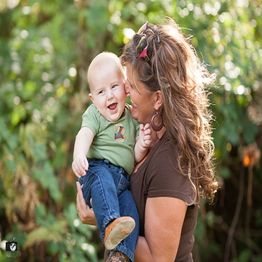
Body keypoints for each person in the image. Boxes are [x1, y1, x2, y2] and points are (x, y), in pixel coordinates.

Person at [76, 19, 218, 262]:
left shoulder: (171, 162)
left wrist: (102, 217)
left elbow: (158, 258)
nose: (124, 92)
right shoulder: (140, 132)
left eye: (131, 86)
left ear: (158, 99)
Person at [72, 52, 152, 262]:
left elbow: (131, 156)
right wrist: (79, 154)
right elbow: (84, 133)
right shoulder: (95, 114)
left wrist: (141, 145)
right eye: (101, 91)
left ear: (126, 87)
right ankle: (109, 224)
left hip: (122, 182)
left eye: (114, 87)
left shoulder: (132, 119)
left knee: (131, 213)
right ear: (92, 98)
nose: (109, 96)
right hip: (96, 172)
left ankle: (120, 255)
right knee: (103, 179)